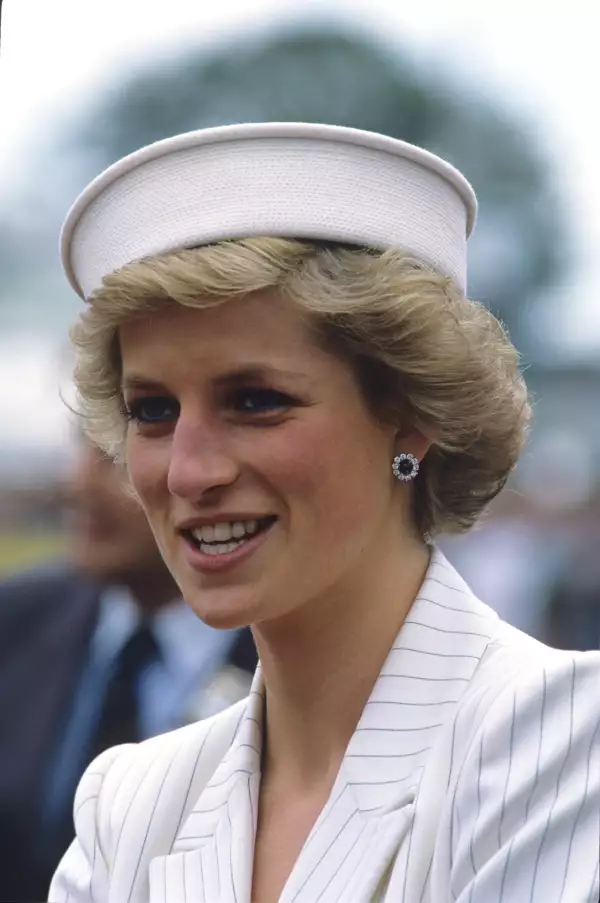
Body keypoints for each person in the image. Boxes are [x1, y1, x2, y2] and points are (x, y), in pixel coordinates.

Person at [49, 123, 599, 903]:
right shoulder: (131, 803)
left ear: (410, 415)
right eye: (153, 410)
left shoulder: (565, 745)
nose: (189, 470)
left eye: (256, 401)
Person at [0, 434, 256, 902]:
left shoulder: (300, 667)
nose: (78, 484)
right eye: (81, 450)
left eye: (113, 459)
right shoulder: (15, 623)